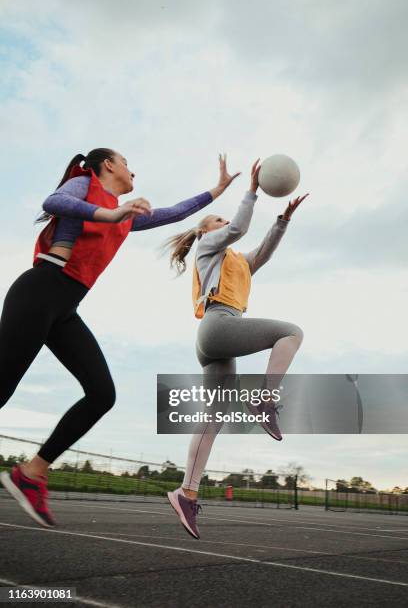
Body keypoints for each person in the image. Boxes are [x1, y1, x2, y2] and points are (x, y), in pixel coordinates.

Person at [0, 148, 239, 527]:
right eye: (126, 161)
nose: (133, 170)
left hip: (64, 308)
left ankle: (31, 474)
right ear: (108, 165)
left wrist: (216, 190)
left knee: (102, 394)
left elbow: (175, 213)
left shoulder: (124, 218)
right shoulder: (85, 184)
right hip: (39, 290)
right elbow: (53, 200)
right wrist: (112, 212)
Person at [163, 158, 308, 538]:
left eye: (224, 221)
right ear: (204, 232)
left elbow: (262, 253)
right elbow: (242, 227)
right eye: (218, 220)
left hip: (216, 341)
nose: (224, 224)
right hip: (218, 325)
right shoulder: (208, 247)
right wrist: (251, 191)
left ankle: (186, 492)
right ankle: (264, 399)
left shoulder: (238, 263)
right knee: (290, 332)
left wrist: (284, 221)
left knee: (214, 417)